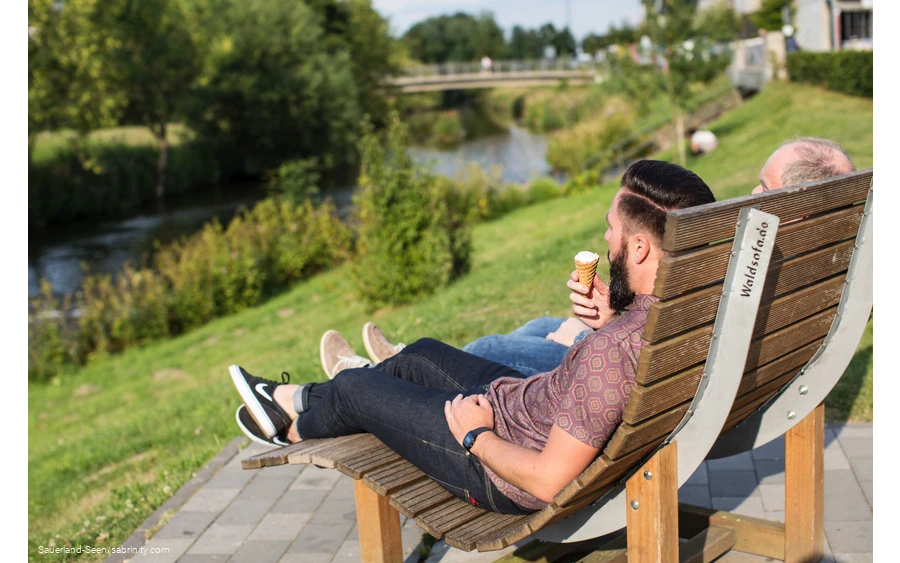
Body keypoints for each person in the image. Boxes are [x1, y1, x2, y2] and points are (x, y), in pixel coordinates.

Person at [229, 160, 717, 515]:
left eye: (611, 229)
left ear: (638, 246)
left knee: (359, 389)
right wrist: (610, 318)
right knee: (417, 355)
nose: (605, 239)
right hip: (531, 409)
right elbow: (623, 361)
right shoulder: (688, 310)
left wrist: (474, 436)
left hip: (502, 468)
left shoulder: (614, 352)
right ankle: (305, 398)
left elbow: (548, 482)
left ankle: (288, 422)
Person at [359, 136, 857, 379]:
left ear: (796, 202)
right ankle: (395, 363)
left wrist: (604, 329)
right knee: (536, 325)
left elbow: (676, 348)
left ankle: (384, 373)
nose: (751, 190)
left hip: (638, 381)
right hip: (661, 362)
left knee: (493, 347)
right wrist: (612, 315)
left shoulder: (762, 263)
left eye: (763, 185)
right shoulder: (817, 260)